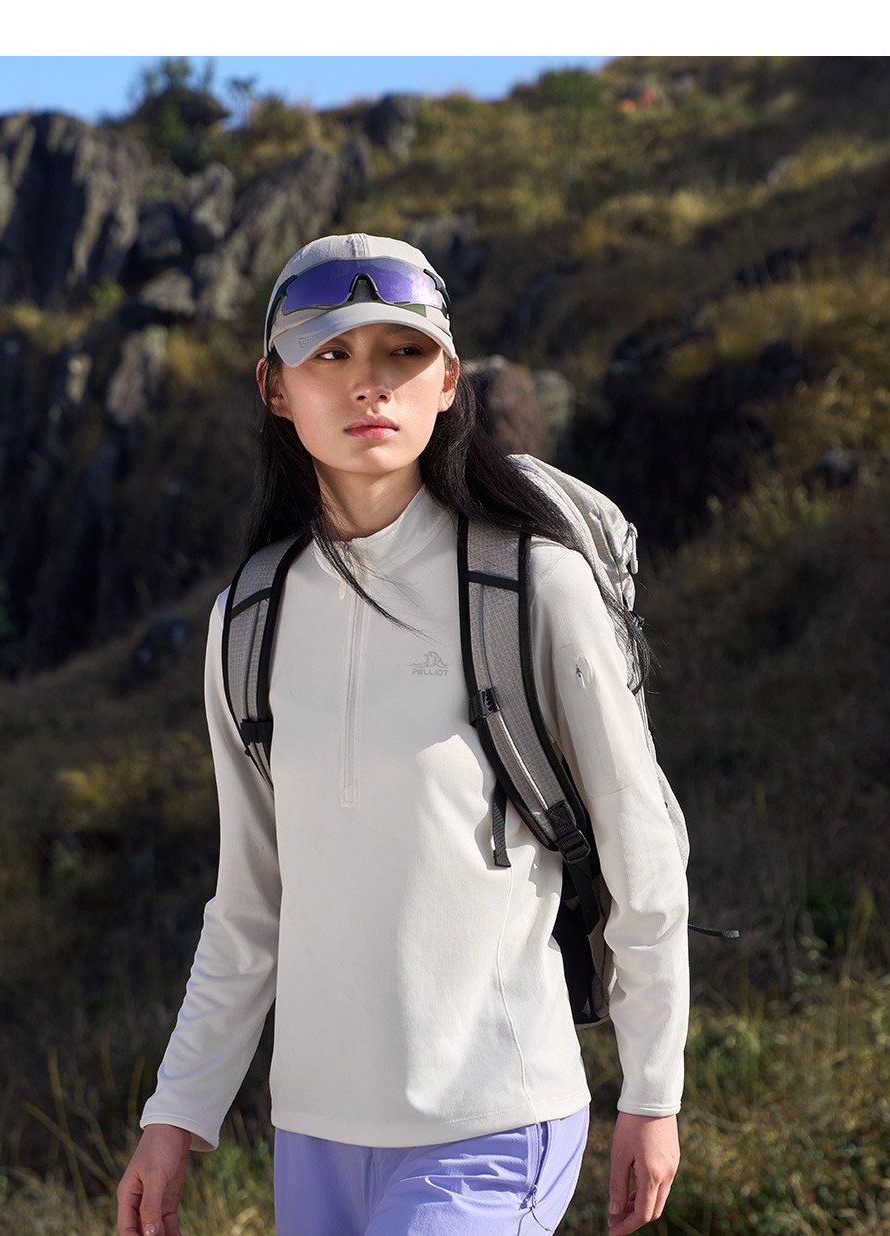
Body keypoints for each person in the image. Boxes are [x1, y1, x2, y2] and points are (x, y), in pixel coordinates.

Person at [116, 233, 689, 1236]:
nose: (368, 384)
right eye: (331, 354)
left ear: (448, 381)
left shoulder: (533, 587)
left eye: (403, 353)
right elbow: (250, 903)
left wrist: (653, 1089)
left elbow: (644, 850)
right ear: (276, 387)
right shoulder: (247, 620)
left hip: (494, 1122)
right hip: (313, 1139)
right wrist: (177, 1111)